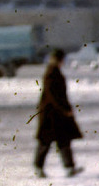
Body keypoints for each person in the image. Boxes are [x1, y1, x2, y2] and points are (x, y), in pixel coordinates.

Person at [32, 48, 81, 176]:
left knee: (63, 141)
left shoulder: (54, 71)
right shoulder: (51, 73)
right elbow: (52, 95)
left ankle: (69, 167)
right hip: (51, 114)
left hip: (56, 114)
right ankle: (38, 167)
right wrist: (65, 109)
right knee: (46, 142)